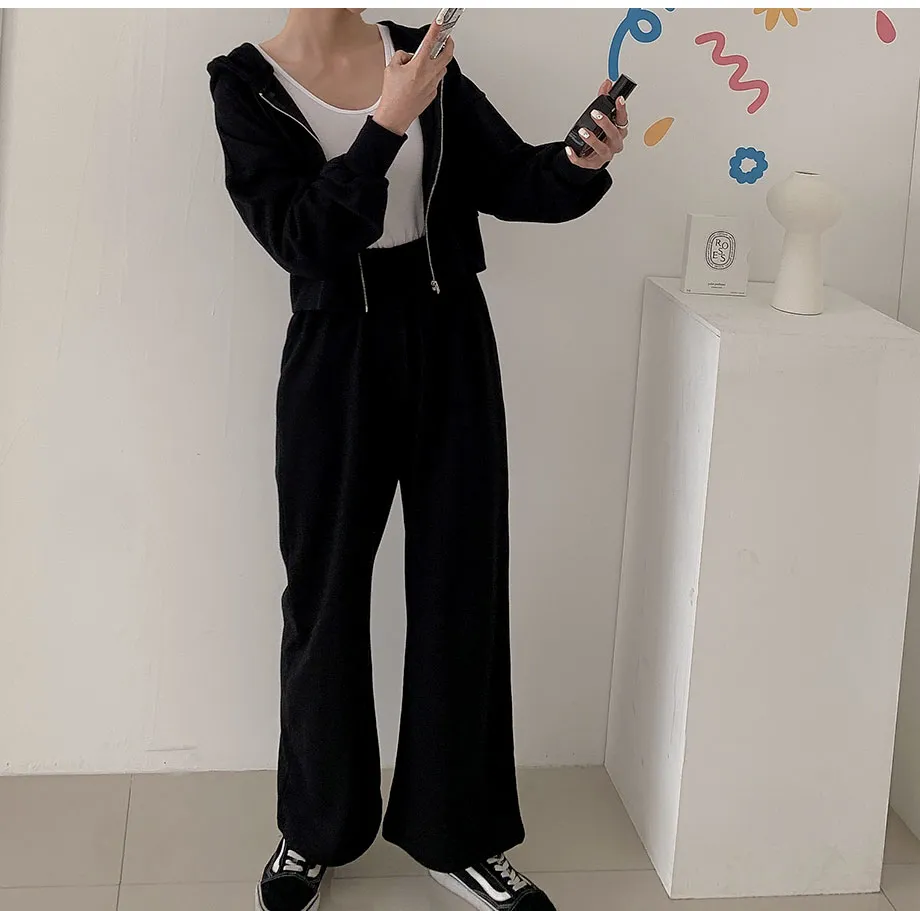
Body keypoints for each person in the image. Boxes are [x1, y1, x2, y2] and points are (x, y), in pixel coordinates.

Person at [207, 9, 627, 911]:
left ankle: (458, 833)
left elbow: (508, 176)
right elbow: (300, 237)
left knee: (460, 586)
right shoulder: (244, 85)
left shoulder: (419, 50)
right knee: (322, 595)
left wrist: (578, 162)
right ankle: (314, 827)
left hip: (448, 333)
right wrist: (386, 122)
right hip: (334, 352)